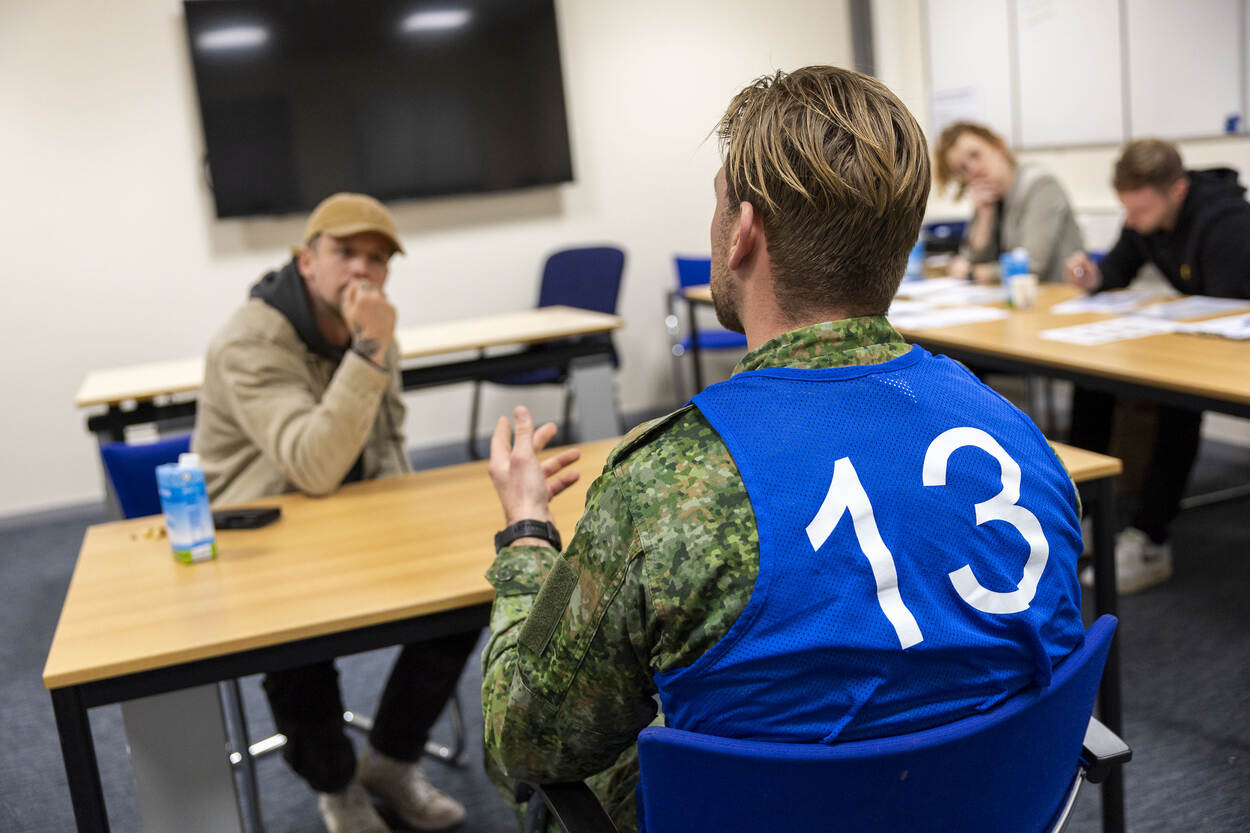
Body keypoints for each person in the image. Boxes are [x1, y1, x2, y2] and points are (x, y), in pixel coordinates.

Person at [480, 67, 1086, 833]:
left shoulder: (666, 483)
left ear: (742, 231)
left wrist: (528, 534)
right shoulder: (1018, 437)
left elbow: (521, 742)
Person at [194, 193, 476, 833]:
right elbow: (313, 464)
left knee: (466, 595)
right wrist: (369, 348)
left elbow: (387, 441)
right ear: (305, 260)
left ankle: (390, 760)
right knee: (297, 642)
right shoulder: (249, 340)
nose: (361, 270)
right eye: (345, 252)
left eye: (376, 259)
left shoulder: (370, 327)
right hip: (262, 533)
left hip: (352, 520)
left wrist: (419, 543)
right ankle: (335, 784)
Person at [1063, 139, 1250, 593]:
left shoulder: (1227, 222)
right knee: (1094, 378)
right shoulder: (1143, 214)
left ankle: (1150, 537)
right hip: (1191, 335)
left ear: (1178, 191)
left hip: (1232, 348)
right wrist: (1095, 276)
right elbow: (1119, 269)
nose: (1132, 222)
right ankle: (1081, 516)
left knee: (1176, 402)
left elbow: (1225, 314)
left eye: (1141, 211)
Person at [935, 121, 1083, 284]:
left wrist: (972, 273)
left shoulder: (1041, 186)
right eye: (962, 169)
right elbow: (970, 260)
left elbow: (1032, 267)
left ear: (999, 146)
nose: (973, 169)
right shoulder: (988, 198)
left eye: (975, 155)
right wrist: (984, 216)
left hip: (1057, 298)